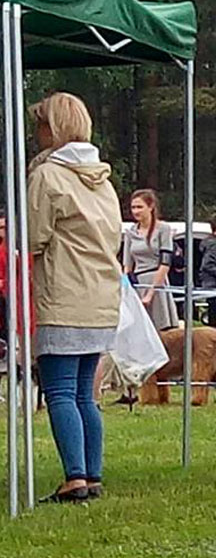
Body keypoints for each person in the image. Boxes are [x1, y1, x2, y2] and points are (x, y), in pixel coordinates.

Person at [26, 92, 122, 503]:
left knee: (60, 390)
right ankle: (92, 474)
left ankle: (75, 477)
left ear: (53, 129)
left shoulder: (47, 176)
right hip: (102, 296)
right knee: (85, 392)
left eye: (40, 125)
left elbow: (33, 236)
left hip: (64, 295)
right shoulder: (102, 179)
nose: (35, 134)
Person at [123, 189, 179, 331]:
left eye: (139, 207)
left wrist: (150, 293)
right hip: (138, 283)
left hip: (157, 283)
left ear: (151, 207)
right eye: (133, 207)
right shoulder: (130, 232)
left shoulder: (163, 229)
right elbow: (127, 266)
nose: (135, 211)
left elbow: (165, 263)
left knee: (161, 331)